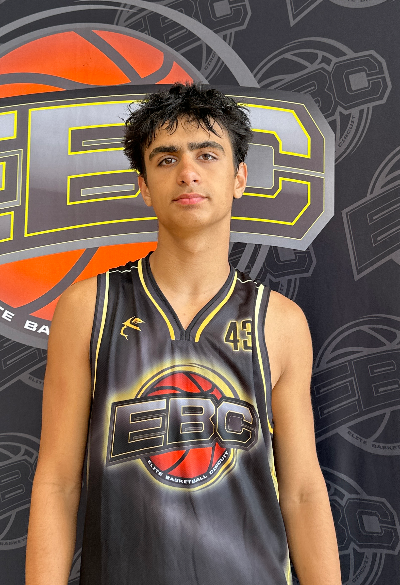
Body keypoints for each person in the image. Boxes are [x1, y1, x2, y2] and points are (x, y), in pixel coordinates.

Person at [26, 83, 341, 585]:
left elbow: (302, 491)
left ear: (239, 177)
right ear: (144, 185)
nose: (188, 172)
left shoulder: (279, 321)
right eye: (167, 158)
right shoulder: (89, 308)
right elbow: (58, 483)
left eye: (207, 154)